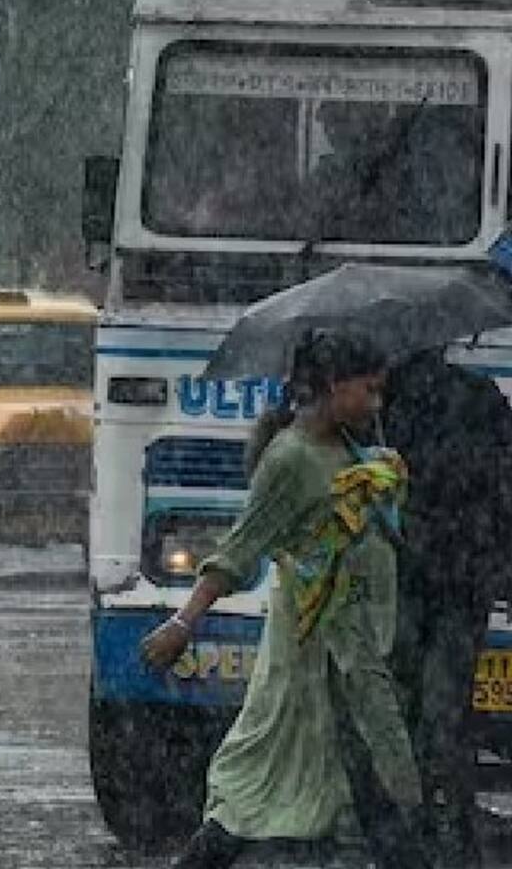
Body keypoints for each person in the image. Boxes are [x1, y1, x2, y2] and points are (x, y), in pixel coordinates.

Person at [141, 329, 429, 869]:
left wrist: (379, 483)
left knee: (362, 773)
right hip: (308, 650)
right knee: (279, 771)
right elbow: (240, 550)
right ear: (333, 386)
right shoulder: (289, 458)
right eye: (368, 391)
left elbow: (349, 529)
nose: (377, 404)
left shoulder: (347, 447)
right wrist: (183, 624)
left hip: (352, 646)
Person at [381, 347, 512, 868]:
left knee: (407, 699)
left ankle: (416, 816)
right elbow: (504, 487)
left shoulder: (382, 403)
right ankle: (448, 819)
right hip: (463, 574)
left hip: (413, 572)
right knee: (445, 705)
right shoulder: (480, 397)